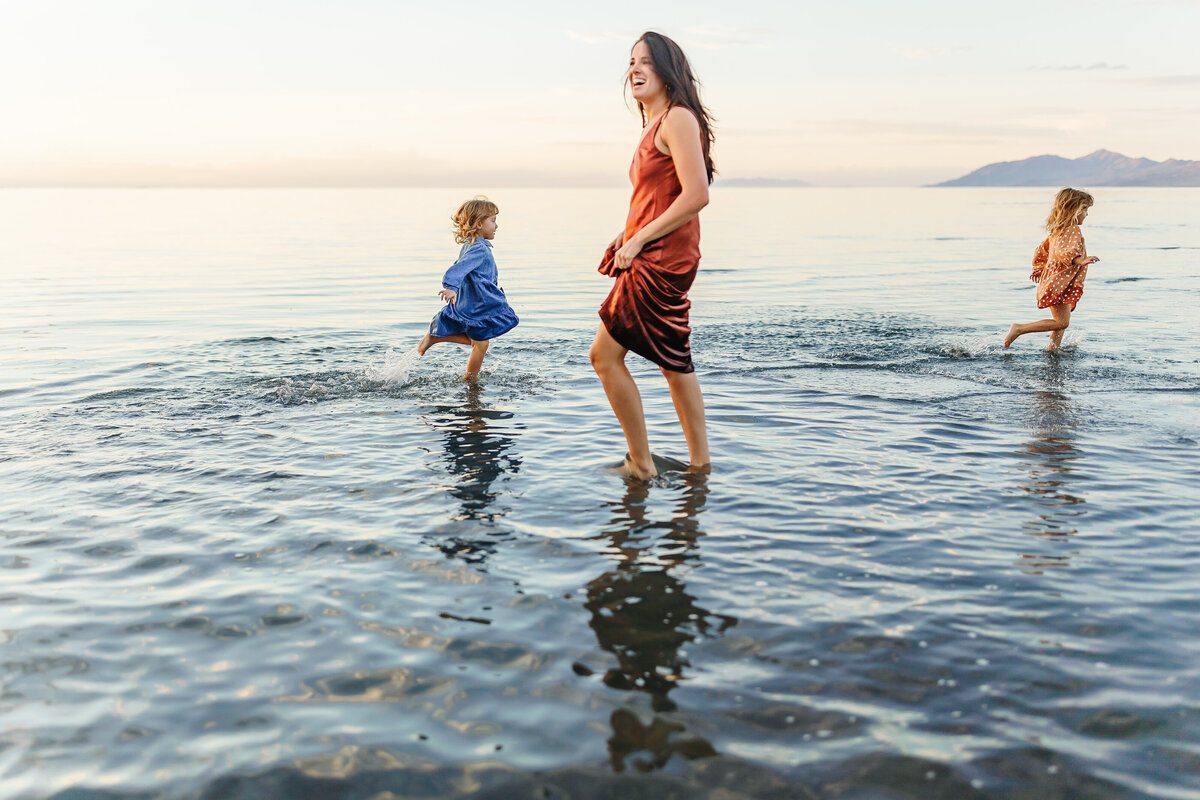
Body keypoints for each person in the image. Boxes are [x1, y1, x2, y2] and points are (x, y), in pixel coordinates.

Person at [589, 31, 716, 480]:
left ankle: (642, 464)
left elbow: (696, 194)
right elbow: (657, 196)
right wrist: (623, 235)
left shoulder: (678, 119)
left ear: (668, 70)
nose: (635, 69)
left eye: (646, 61)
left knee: (604, 357)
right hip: (657, 251)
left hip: (663, 258)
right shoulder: (655, 124)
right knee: (672, 359)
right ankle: (699, 465)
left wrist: (639, 240)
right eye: (631, 62)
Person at [418, 197, 519, 378]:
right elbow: (458, 268)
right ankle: (470, 381)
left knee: (478, 342)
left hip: (471, 299)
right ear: (479, 224)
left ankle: (436, 338)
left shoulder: (471, 244)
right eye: (493, 221)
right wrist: (451, 286)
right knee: (481, 344)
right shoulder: (479, 248)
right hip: (479, 303)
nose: (497, 226)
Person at [1004, 188, 1099, 351]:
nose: (1086, 214)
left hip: (1058, 281)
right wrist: (1080, 260)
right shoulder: (1072, 230)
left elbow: (1044, 251)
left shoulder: (1058, 230)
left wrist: (1039, 270)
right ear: (1073, 210)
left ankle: (1052, 348)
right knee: (1062, 322)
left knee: (1061, 319)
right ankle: (1019, 329)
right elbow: (1064, 253)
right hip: (1059, 283)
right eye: (1084, 210)